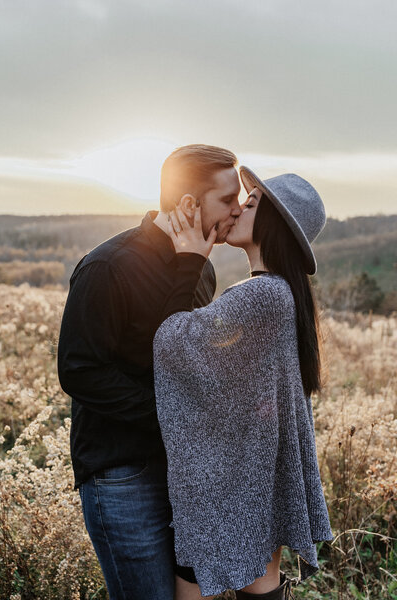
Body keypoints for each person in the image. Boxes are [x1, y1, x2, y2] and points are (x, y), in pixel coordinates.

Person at [57, 144, 242, 600]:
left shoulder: (200, 270)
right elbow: (78, 370)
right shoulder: (108, 266)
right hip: (122, 475)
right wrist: (170, 414)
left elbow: (179, 356)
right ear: (187, 205)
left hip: (178, 470)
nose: (237, 210)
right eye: (227, 200)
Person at [153, 166, 334, 600]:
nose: (237, 210)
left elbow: (173, 343)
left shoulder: (262, 296)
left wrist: (189, 262)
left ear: (274, 224)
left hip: (243, 483)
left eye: (250, 204)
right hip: (257, 479)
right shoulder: (279, 293)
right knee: (261, 587)